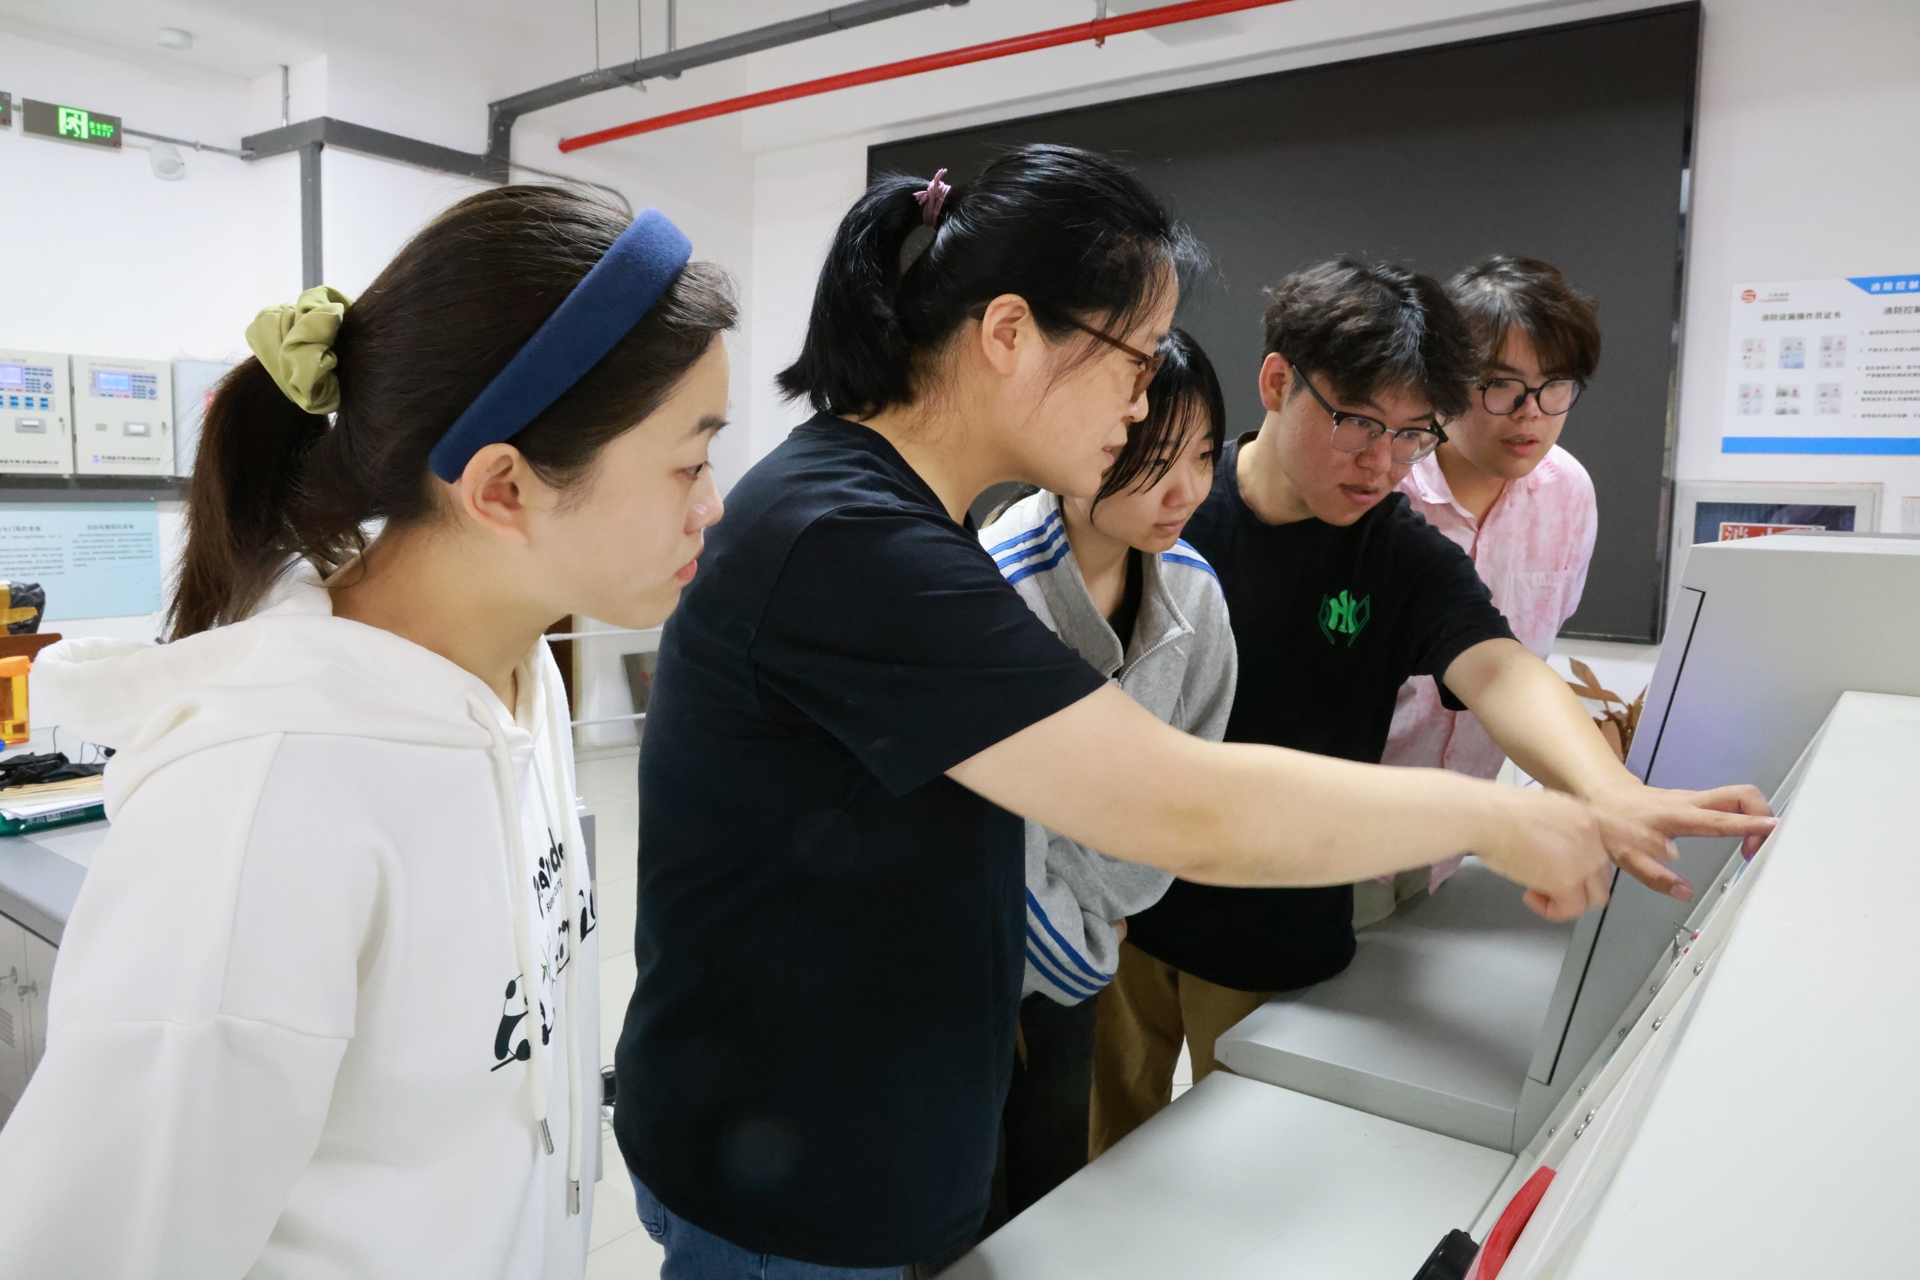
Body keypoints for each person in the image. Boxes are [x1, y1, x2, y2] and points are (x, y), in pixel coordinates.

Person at [615, 147, 1768, 1277]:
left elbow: (1483, 667)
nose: (1144, 401)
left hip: (854, 1118)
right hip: (789, 1168)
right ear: (1010, 334)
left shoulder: (904, 518)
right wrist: (1503, 819)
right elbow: (1175, 800)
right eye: (1135, 357)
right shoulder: (854, 539)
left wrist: (1589, 790)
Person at [0, 188, 736, 1278]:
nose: (712, 505)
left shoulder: (512, 676)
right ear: (503, 488)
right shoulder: (260, 814)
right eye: (690, 461)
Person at [1094, 257, 1769, 1156]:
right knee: (1100, 1148)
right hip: (1121, 913)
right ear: (1278, 382)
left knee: (1231, 1156)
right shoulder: (1171, 507)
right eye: (1358, 423)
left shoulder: (1396, 551)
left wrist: (1610, 790)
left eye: (1414, 435)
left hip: (1275, 926)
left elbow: (1500, 669)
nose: (1383, 464)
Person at [978, 328, 1234, 1226]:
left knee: (1052, 1186)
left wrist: (1094, 922)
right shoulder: (995, 592)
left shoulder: (1195, 592)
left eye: (1204, 456)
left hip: (1083, 956)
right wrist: (1088, 939)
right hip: (979, 960)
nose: (1186, 490)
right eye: (1156, 459)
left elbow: (1186, 799)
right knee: (963, 1213)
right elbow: (990, 833)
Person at [1382, 256, 1603, 851]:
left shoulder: (1568, 492)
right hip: (1349, 821)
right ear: (1445, 380)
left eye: (1555, 385)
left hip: (1464, 831)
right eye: (1502, 384)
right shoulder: (1381, 486)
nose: (1532, 411)